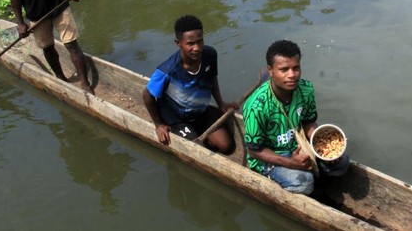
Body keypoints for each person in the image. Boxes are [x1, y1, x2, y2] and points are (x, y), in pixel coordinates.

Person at [242, 40, 349, 195]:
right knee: (304, 182)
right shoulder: (256, 106)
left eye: (296, 68)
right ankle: (277, 180)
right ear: (270, 71)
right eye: (284, 70)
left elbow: (308, 122)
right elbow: (254, 150)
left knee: (342, 163)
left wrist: (323, 146)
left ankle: (318, 179)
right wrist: (290, 163)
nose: (292, 75)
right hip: (271, 156)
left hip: (298, 145)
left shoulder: (306, 89)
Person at [141, 15, 236, 154]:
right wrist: (159, 125)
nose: (197, 48)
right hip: (177, 120)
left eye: (200, 41)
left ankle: (203, 138)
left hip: (202, 113)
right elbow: (147, 94)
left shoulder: (210, 54)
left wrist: (221, 103)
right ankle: (195, 139)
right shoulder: (168, 70)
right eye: (190, 43)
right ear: (178, 43)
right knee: (198, 153)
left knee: (227, 147)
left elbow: (212, 77)